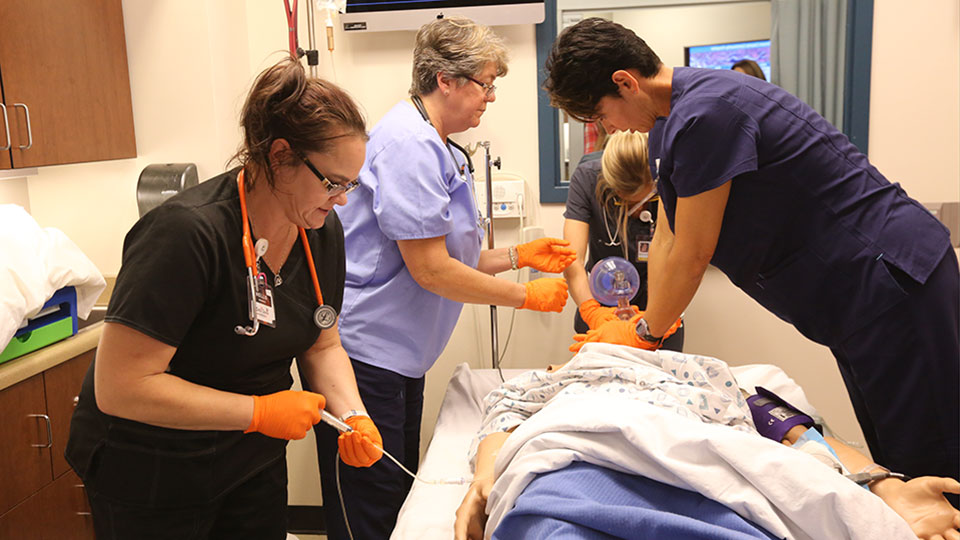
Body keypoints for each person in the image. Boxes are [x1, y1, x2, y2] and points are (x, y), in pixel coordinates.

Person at [543, 17, 959, 490]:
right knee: (895, 454)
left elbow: (694, 253)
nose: (607, 128)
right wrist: (642, 325)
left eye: (600, 115)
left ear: (625, 82)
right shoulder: (666, 127)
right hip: (855, 301)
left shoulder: (707, 113)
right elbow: (667, 238)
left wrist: (646, 334)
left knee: (932, 459)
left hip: (889, 281)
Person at [65, 58, 383, 539]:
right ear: (280, 156)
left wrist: (353, 413)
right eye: (333, 182)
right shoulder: (186, 235)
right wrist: (258, 411)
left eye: (350, 184)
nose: (342, 198)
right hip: (154, 468)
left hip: (250, 458)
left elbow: (322, 344)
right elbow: (122, 387)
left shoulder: (319, 229)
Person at [312, 16, 575, 539]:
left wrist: (520, 254)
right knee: (371, 505)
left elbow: (450, 255)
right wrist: (525, 296)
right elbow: (430, 271)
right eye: (486, 83)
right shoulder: (408, 143)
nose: (491, 97)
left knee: (394, 498)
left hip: (399, 356)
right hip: (366, 356)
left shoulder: (434, 143)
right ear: (445, 80)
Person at [454, 347, 960, 540]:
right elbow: (502, 423)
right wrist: (484, 483)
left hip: (710, 478)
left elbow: (803, 433)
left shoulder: (701, 373)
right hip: (579, 462)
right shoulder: (549, 382)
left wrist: (883, 486)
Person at [563, 129, 684, 352]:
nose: (635, 212)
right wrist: (592, 312)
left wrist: (661, 318)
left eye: (641, 202)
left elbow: (684, 255)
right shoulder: (588, 178)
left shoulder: (671, 179)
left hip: (661, 304)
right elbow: (572, 259)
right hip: (601, 306)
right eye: (625, 203)